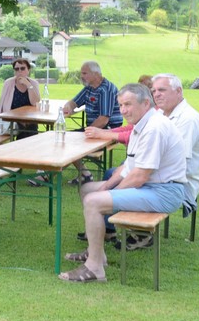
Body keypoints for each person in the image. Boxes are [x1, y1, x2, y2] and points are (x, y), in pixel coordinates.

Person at [60, 83, 187, 283]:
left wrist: (111, 194)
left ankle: (94, 268)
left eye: (128, 104)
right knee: (87, 189)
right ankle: (97, 253)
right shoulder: (141, 124)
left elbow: (140, 176)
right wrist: (105, 187)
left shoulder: (154, 128)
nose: (123, 110)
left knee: (94, 201)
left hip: (164, 192)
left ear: (146, 103)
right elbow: (127, 167)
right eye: (120, 105)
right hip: (151, 187)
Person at [51, 60, 122, 186]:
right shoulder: (89, 88)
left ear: (95, 74)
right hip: (95, 128)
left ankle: (49, 174)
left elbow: (103, 119)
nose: (81, 76)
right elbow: (73, 102)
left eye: (84, 73)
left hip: (108, 130)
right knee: (66, 139)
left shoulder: (106, 90)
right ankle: (84, 174)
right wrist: (69, 107)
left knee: (70, 141)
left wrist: (86, 132)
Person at [152, 73, 199, 216]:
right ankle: (110, 225)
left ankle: (134, 231)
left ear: (178, 91)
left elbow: (178, 160)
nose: (156, 94)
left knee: (122, 183)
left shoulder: (188, 119)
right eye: (154, 91)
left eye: (162, 90)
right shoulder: (160, 113)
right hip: (163, 177)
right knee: (115, 174)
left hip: (180, 185)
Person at [0, 57, 42, 138]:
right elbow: (1, 105)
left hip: (30, 119)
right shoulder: (8, 83)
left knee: (30, 128)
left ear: (28, 70)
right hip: (13, 119)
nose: (19, 71)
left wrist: (28, 85)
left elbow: (35, 103)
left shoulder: (34, 83)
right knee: (24, 131)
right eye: (16, 69)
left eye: (22, 68)